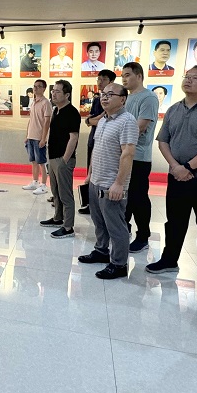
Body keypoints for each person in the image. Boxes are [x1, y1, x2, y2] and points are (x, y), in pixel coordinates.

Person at [146, 65, 197, 301]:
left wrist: (188, 167)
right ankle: (169, 260)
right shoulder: (174, 109)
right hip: (177, 177)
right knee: (174, 222)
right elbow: (163, 141)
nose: (188, 80)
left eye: (195, 78)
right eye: (187, 76)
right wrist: (175, 167)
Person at [78, 82, 138, 279]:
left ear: (122, 99)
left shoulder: (127, 121)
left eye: (110, 94)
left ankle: (119, 264)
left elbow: (128, 154)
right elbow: (96, 149)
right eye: (103, 94)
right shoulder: (103, 120)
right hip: (96, 180)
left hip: (112, 184)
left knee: (116, 226)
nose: (104, 97)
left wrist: (119, 183)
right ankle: (101, 251)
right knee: (99, 222)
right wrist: (90, 174)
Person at [121, 62, 159, 252]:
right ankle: (123, 229)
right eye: (122, 76)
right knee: (125, 196)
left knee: (138, 197)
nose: (124, 79)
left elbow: (141, 126)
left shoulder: (148, 97)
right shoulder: (126, 98)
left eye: (127, 75)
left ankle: (143, 236)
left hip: (139, 156)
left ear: (139, 76)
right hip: (123, 154)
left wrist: (116, 135)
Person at [39, 80, 80, 238]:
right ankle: (58, 218)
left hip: (63, 159)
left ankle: (68, 227)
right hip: (53, 157)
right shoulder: (56, 110)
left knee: (65, 194)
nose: (53, 94)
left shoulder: (72, 113)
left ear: (67, 95)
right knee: (55, 191)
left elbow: (73, 138)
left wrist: (64, 160)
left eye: (57, 91)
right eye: (53, 91)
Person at [80, 69, 117, 214]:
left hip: (106, 143)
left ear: (111, 82)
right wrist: (92, 120)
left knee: (103, 175)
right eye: (98, 79)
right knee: (90, 173)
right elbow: (90, 120)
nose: (100, 82)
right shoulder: (96, 99)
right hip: (93, 139)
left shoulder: (114, 101)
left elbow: (100, 120)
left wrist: (92, 120)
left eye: (104, 79)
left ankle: (102, 205)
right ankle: (91, 204)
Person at [22, 80, 52, 197]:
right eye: (34, 86)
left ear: (44, 89)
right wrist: (27, 135)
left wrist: (43, 139)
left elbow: (47, 122)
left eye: (39, 86)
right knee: (33, 161)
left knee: (42, 162)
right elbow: (31, 120)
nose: (35, 88)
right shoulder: (33, 102)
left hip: (39, 137)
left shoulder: (46, 103)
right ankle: (35, 182)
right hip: (31, 136)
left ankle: (43, 185)